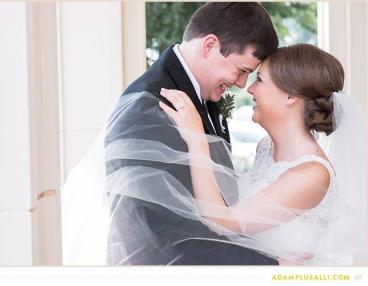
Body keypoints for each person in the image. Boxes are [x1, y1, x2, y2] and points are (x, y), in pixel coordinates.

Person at [156, 44, 367, 265]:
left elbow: (223, 222)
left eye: (260, 80)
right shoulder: (265, 147)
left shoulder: (312, 174)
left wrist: (196, 139)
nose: (250, 89)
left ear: (290, 96)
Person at [104, 2, 279, 265]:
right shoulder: (148, 108)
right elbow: (158, 234)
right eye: (242, 71)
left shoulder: (200, 93)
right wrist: (269, 267)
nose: (242, 85)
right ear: (210, 45)